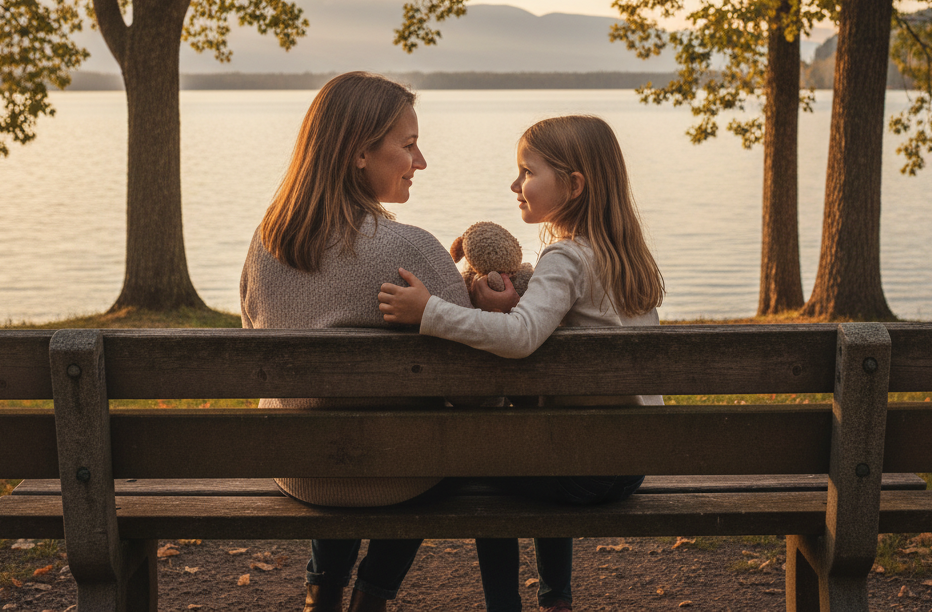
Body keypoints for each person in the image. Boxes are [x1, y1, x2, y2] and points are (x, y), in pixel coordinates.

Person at [378, 114, 666, 612]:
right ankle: (555, 598)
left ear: (574, 185)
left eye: (528, 172)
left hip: (585, 471)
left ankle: (497, 604)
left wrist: (429, 311)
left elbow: (521, 337)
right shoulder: (623, 257)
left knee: (478, 463)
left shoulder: (566, 258)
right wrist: (515, 305)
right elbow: (555, 323)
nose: (515, 185)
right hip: (629, 461)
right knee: (536, 446)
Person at [240, 71, 473, 612]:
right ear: (359, 153)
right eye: (408, 145)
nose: (420, 162)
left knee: (336, 421)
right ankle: (372, 597)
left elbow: (257, 337)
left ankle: (321, 593)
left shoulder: (267, 242)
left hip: (299, 469)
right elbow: (477, 389)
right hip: (400, 478)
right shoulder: (412, 249)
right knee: (445, 435)